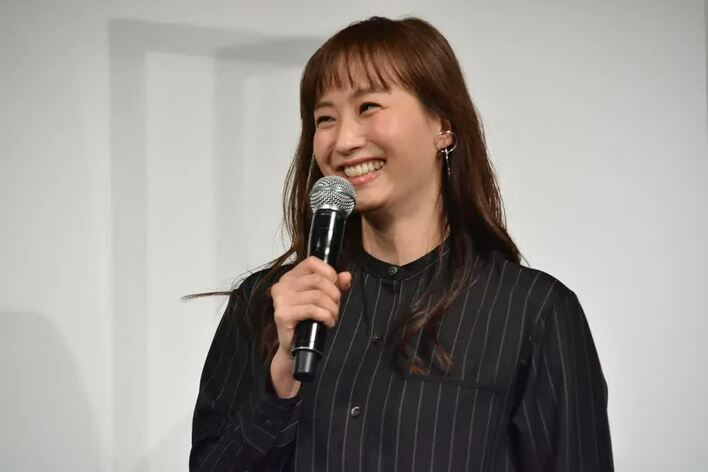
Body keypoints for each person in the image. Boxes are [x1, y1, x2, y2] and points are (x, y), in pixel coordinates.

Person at [189, 16, 614, 472]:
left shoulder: (534, 312)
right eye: (325, 118)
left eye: (368, 107)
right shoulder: (268, 305)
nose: (343, 141)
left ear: (443, 125)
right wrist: (280, 383)